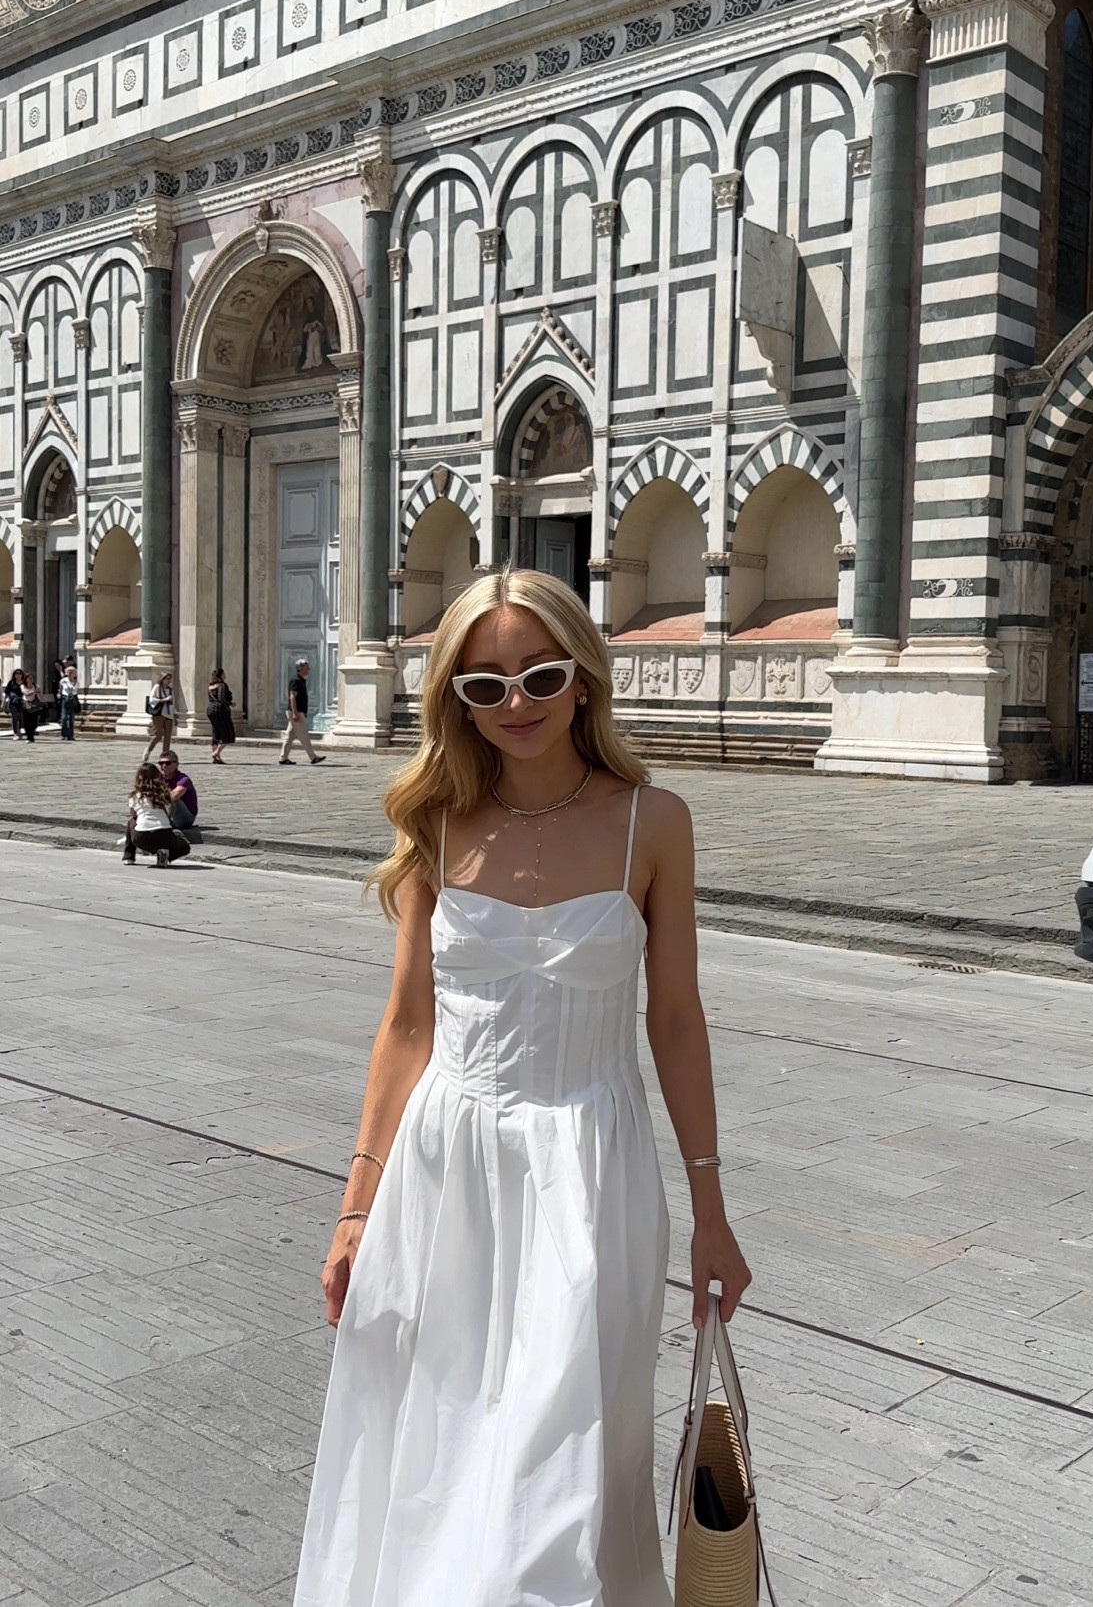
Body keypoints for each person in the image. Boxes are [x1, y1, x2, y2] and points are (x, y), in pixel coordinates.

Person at [292, 569, 751, 1607]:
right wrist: (355, 1207)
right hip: (445, 1174)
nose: (516, 703)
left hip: (592, 1172)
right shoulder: (435, 824)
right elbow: (408, 1025)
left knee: (559, 1486)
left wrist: (712, 1217)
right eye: (482, 685)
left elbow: (673, 1022)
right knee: (440, 1458)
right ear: (452, 697)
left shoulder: (653, 823)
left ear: (583, 678)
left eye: (539, 675)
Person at [123, 763, 191, 867]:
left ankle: (128, 857)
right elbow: (169, 811)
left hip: (142, 837)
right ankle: (163, 853)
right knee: (184, 847)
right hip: (164, 834)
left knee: (131, 821)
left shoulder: (135, 795)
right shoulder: (164, 794)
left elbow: (133, 814)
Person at [278, 659, 324, 765]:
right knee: (304, 736)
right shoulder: (295, 680)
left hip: (298, 711)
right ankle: (313, 757)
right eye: (306, 667)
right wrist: (295, 712)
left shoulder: (301, 680)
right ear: (301, 668)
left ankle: (283, 757)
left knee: (289, 736)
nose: (308, 669)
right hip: (295, 712)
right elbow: (292, 696)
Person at [158, 751, 198, 830]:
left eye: (168, 763)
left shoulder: (184, 779)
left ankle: (164, 823)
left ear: (176, 764)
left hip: (186, 818)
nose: (164, 766)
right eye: (161, 763)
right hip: (169, 815)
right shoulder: (159, 779)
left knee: (173, 799)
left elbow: (174, 796)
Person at [143, 672, 176, 761]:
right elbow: (152, 699)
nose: (169, 681)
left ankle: (165, 755)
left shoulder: (170, 690)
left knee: (168, 736)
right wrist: (163, 700)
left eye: (169, 679)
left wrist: (174, 713)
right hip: (159, 714)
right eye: (167, 679)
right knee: (158, 734)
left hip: (168, 714)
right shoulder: (157, 688)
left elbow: (173, 702)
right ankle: (148, 750)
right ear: (162, 679)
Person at [206, 668, 235, 764]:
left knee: (216, 732)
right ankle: (216, 752)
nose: (225, 676)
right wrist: (230, 703)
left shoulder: (210, 687)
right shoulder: (221, 685)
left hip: (211, 709)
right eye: (223, 674)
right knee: (227, 732)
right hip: (220, 709)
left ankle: (216, 757)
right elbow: (221, 699)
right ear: (220, 675)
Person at [58, 663, 80, 742]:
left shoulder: (76, 682)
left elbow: (76, 692)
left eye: (72, 672)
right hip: (64, 699)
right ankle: (64, 734)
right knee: (64, 717)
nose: (70, 673)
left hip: (72, 699)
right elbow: (60, 690)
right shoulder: (63, 681)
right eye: (69, 672)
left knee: (71, 718)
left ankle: (70, 735)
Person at [19, 673, 44, 742]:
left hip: (35, 705)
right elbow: (26, 694)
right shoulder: (23, 686)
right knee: (26, 722)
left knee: (34, 722)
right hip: (26, 704)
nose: (31, 680)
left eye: (32, 678)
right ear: (26, 679)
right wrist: (34, 692)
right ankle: (29, 737)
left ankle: (32, 734)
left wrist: (41, 699)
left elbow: (40, 695)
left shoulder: (36, 686)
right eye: (29, 678)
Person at [3, 669, 24, 740]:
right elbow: (6, 693)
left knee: (21, 717)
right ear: (14, 675)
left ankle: (19, 731)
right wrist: (3, 703)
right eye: (16, 674)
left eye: (20, 674)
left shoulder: (24, 683)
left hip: (22, 702)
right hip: (13, 702)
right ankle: (15, 733)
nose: (18, 675)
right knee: (15, 717)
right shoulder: (11, 683)